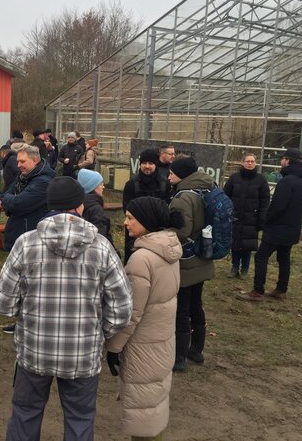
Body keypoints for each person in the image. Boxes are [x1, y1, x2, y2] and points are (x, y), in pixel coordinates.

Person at [0, 176, 132, 441]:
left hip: (34, 351)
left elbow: (3, 304)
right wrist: (98, 332)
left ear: (49, 205)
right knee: (80, 418)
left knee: (25, 412)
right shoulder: (102, 248)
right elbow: (121, 309)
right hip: (82, 354)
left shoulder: (25, 244)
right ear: (80, 206)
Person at [106, 196, 183, 441]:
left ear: (147, 221)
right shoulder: (169, 250)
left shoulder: (141, 259)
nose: (125, 223)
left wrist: (113, 347)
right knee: (154, 404)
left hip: (142, 346)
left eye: (130, 218)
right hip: (161, 341)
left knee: (142, 414)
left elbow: (131, 312)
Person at [237, 148, 302, 302]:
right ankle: (281, 290)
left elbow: (277, 206)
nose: (281, 161)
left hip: (278, 228)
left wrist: (266, 220)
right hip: (293, 227)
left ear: (288, 160)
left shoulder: (286, 181)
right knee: (284, 258)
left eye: (283, 158)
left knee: (261, 256)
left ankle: (258, 291)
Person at [168, 156, 215, 372]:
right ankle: (197, 350)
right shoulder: (205, 189)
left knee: (182, 309)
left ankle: (179, 357)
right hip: (202, 256)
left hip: (186, 262)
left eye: (172, 172)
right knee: (197, 305)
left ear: (183, 175)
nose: (168, 175)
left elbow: (181, 231)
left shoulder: (181, 198)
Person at [223, 153, 270, 280]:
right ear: (242, 162)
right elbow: (225, 196)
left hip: (252, 219)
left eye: (252, 161)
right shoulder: (234, 178)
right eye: (247, 161)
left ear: (255, 163)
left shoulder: (261, 180)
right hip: (235, 217)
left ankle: (245, 269)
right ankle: (234, 267)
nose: (250, 163)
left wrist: (262, 218)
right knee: (235, 244)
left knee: (247, 245)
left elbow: (265, 201)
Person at [0, 144, 55, 252]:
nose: (18, 165)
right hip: (20, 233)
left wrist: (8, 202)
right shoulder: (24, 175)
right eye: (18, 161)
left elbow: (17, 204)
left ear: (34, 160)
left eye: (22, 161)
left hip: (31, 238)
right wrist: (9, 201)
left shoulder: (43, 182)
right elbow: (4, 195)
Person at [122, 149, 170, 263]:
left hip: (157, 230)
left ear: (156, 165)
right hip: (135, 231)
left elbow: (166, 208)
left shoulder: (165, 185)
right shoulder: (131, 185)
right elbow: (127, 209)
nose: (147, 166)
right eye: (144, 163)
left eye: (151, 163)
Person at [77, 168, 115, 246]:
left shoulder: (77, 204)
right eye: (101, 184)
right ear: (92, 187)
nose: (103, 187)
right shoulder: (96, 209)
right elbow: (101, 236)